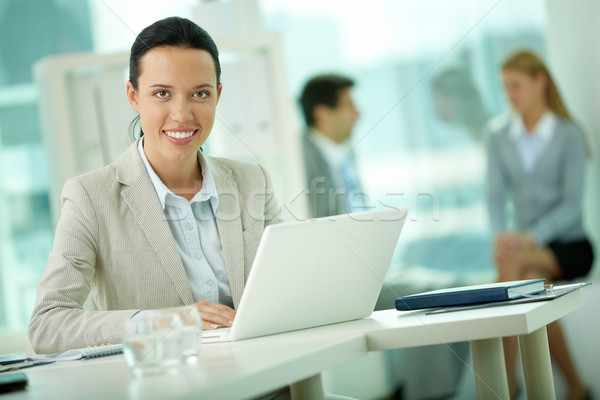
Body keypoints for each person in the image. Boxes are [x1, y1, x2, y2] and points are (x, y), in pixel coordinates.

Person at [27, 17, 281, 354]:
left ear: (217, 96)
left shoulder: (252, 181)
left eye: (199, 94)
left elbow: (288, 288)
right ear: (133, 96)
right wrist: (165, 321)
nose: (182, 114)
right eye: (162, 93)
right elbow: (47, 327)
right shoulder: (90, 197)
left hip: (267, 376)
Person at [485, 49, 593, 400]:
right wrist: (502, 236)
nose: (510, 95)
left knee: (515, 266)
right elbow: (495, 198)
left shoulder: (569, 134)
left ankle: (505, 385)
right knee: (524, 277)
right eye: (505, 87)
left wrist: (530, 238)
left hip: (568, 243)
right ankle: (576, 388)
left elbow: (572, 206)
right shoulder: (497, 136)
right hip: (525, 249)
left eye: (516, 85)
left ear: (540, 81)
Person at [299, 74, 363, 218]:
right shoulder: (299, 158)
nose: (358, 113)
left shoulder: (346, 153)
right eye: (349, 105)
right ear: (322, 114)